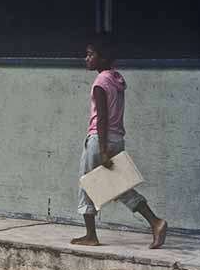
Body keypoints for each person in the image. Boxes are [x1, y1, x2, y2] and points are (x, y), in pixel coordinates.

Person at [72, 34, 168, 249]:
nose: (86, 58)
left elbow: (102, 118)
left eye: (90, 54)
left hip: (100, 140)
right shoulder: (116, 79)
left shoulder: (100, 82)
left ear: (103, 58)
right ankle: (155, 222)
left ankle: (90, 236)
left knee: (87, 185)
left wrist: (103, 149)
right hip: (117, 139)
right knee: (118, 187)